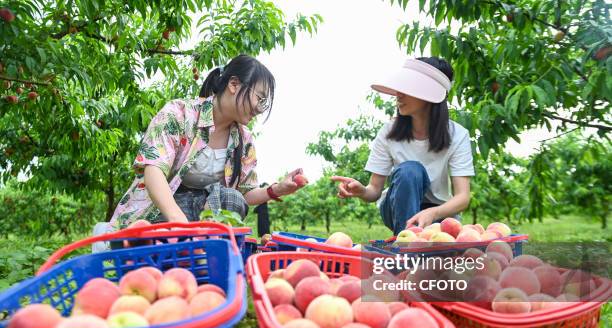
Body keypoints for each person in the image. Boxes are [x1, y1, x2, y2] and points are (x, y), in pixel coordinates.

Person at [108, 54, 303, 231]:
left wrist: (276, 189)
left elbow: (244, 194)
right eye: (260, 98)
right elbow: (154, 171)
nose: (260, 109)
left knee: (232, 198)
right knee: (160, 245)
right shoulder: (179, 114)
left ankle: (206, 251)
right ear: (234, 85)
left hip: (204, 216)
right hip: (163, 211)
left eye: (264, 103)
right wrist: (180, 224)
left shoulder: (244, 140)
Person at [331, 57, 474, 235]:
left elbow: (462, 197)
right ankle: (406, 246)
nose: (398, 94)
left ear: (429, 94)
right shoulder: (389, 132)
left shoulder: (457, 135)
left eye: (408, 88)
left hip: (438, 213)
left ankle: (411, 246)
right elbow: (374, 190)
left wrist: (433, 212)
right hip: (395, 208)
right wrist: (362, 191)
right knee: (410, 170)